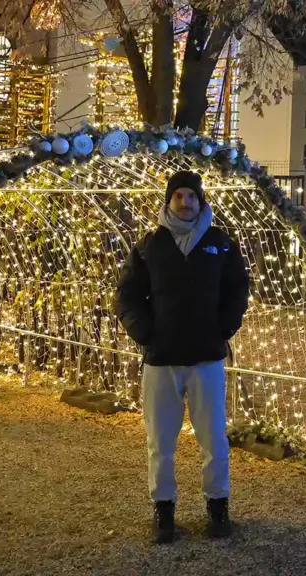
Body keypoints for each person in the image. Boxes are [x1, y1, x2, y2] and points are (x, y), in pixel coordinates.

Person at [117, 171, 250, 544]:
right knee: (160, 439)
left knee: (213, 437)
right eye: (178, 195)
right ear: (168, 201)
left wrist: (223, 328)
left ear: (201, 200)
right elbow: (127, 295)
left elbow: (237, 288)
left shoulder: (220, 244)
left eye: (191, 195)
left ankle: (218, 506)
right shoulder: (149, 246)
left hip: (206, 357)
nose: (185, 202)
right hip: (162, 358)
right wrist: (144, 333)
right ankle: (163, 509)